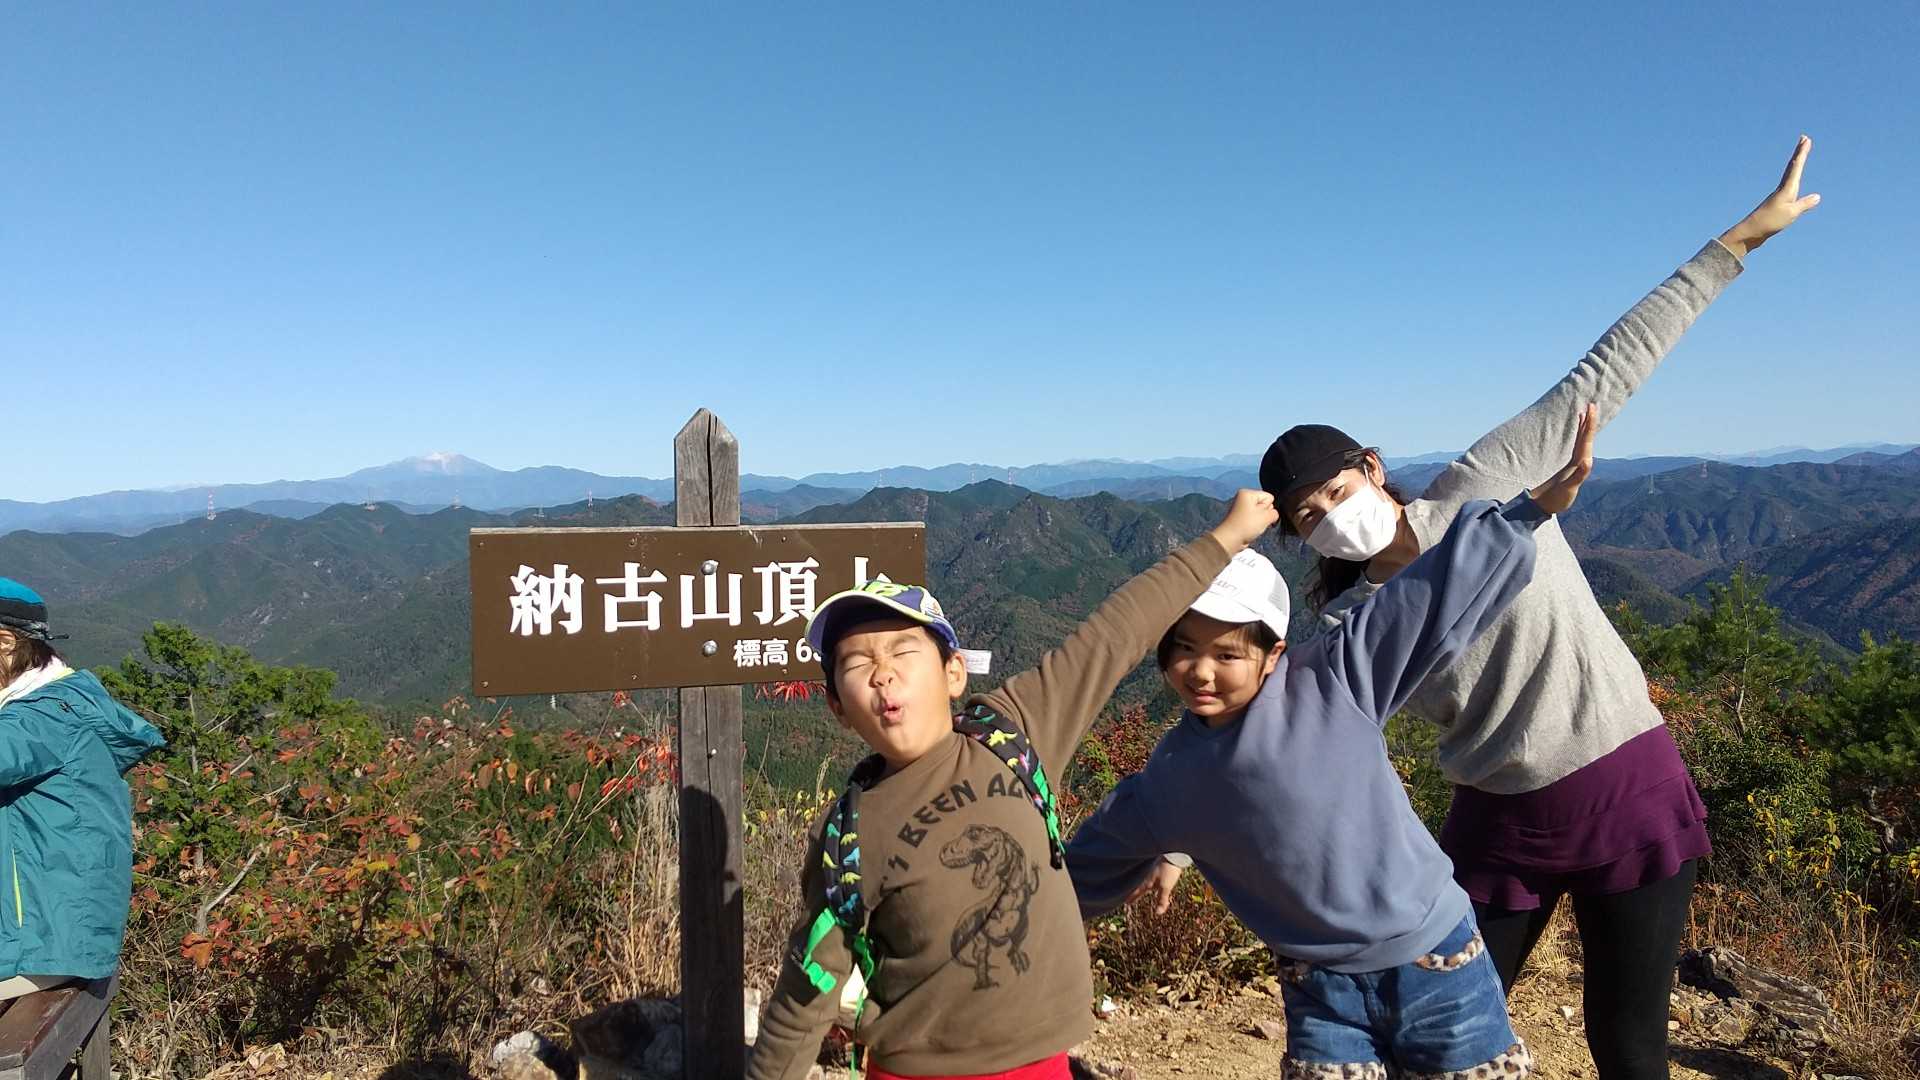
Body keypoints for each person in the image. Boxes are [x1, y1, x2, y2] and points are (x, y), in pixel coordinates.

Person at [1249, 137, 1821, 1080]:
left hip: (1625, 782)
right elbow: (1292, 735)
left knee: (1627, 1045)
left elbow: (1607, 368)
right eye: (1309, 520)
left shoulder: (1487, 483)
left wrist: (1742, 239)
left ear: (1372, 469)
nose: (1332, 521)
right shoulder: (1358, 624)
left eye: (1336, 494)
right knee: (1438, 1033)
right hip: (1497, 823)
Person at [1069, 409, 1602, 1079]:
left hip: (1437, 959)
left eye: (1227, 654)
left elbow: (1428, 593)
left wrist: (1532, 508)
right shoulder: (1169, 779)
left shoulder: (1333, 677)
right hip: (1318, 986)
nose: (1199, 672)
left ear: (1273, 654)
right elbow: (1077, 877)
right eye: (1181, 651)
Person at [747, 491, 1278, 1080]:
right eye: (856, 663)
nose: (883, 673)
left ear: (953, 673)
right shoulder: (847, 834)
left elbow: (1115, 634)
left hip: (1042, 1062)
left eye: (903, 650)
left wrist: (1225, 538)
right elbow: (806, 991)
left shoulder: (1012, 730)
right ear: (837, 707)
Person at [0, 578, 166, 999]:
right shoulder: (55, 701)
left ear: (5, 642)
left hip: (44, 945)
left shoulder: (44, 716)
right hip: (44, 932)